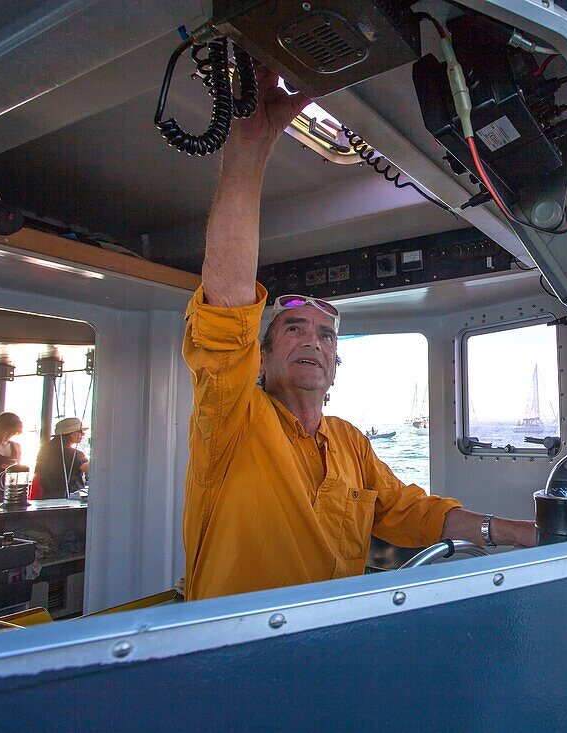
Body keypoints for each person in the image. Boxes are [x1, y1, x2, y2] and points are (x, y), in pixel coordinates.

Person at [181, 66, 537, 601]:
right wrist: (249, 148)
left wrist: (519, 533)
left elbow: (411, 514)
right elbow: (226, 316)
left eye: (327, 337)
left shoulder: (348, 441)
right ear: (261, 359)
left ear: (336, 366)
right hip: (238, 656)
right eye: (294, 330)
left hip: (335, 649)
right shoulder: (233, 421)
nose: (313, 342)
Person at [33, 417, 89, 500]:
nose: (83, 434)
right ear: (69, 433)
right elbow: (92, 469)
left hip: (47, 498)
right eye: (80, 431)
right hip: (70, 500)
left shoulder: (44, 451)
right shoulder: (75, 454)